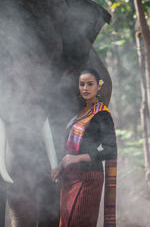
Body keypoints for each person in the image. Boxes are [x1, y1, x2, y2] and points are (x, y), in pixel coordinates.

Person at [51, 68, 117, 227]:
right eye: (82, 84)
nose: (85, 88)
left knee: (78, 222)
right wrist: (60, 166)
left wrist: (79, 157)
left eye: (90, 84)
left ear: (98, 87)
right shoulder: (79, 114)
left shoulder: (102, 115)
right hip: (70, 178)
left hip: (89, 178)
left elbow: (110, 150)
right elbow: (70, 149)